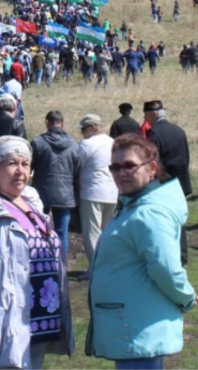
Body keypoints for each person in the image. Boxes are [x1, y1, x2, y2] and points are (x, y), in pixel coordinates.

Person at [0, 135, 74, 369]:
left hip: (39, 316)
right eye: (11, 163)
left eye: (25, 164)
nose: (20, 171)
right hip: (6, 319)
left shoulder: (33, 205)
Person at [86, 134, 197, 369]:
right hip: (134, 328)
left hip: (138, 329)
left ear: (152, 168)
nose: (121, 173)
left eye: (129, 165)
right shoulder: (132, 207)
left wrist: (186, 297)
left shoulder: (149, 213)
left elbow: (166, 269)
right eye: (115, 167)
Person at [142, 100, 191, 264]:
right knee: (178, 218)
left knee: (163, 220)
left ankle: (167, 254)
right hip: (180, 180)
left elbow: (153, 160)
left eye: (146, 114)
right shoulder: (178, 130)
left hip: (164, 182)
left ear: (153, 114)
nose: (145, 118)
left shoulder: (154, 133)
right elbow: (186, 157)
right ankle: (182, 254)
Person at [29, 111, 80, 254]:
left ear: (47, 123)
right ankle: (60, 263)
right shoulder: (74, 145)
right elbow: (77, 170)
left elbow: (30, 166)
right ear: (62, 124)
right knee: (62, 233)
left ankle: (40, 259)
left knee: (39, 229)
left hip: (41, 192)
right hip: (65, 194)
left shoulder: (38, 142)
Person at [77, 114, 116, 280]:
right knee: (106, 233)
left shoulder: (86, 144)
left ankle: (95, 269)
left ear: (93, 127)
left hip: (92, 192)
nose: (82, 132)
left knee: (91, 233)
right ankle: (106, 267)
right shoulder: (113, 142)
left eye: (83, 129)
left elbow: (77, 166)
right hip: (112, 192)